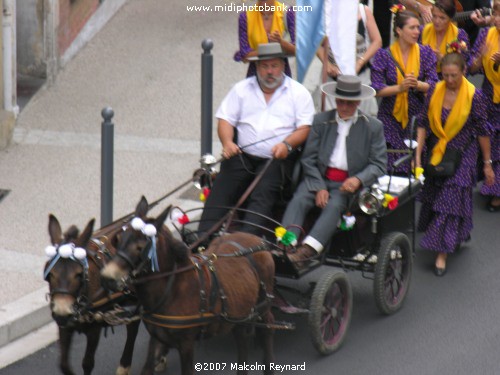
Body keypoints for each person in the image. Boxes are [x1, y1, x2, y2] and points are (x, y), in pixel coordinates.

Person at [198, 43, 314, 238]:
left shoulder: (299, 93)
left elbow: (304, 128)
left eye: (274, 66)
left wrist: (287, 144)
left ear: (283, 66)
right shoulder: (241, 89)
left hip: (276, 159)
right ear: (257, 67)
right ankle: (200, 240)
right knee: (221, 189)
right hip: (241, 155)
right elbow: (225, 120)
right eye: (264, 66)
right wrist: (227, 143)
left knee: (262, 194)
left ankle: (245, 243)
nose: (270, 71)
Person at [280, 75, 387, 269]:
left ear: (357, 102)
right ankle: (286, 245)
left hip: (346, 186)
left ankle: (308, 250)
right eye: (340, 102)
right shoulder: (321, 121)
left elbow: (379, 164)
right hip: (318, 178)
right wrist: (319, 187)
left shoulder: (372, 127)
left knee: (335, 205)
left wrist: (358, 179)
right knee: (299, 199)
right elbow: (308, 159)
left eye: (349, 103)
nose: (344, 107)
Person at [415, 51, 495, 276]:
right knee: (436, 195)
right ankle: (458, 232)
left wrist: (487, 164)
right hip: (438, 150)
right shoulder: (434, 90)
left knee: (450, 198)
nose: (449, 80)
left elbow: (482, 131)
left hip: (463, 152)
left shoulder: (474, 96)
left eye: (454, 76)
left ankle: (442, 253)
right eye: (446, 76)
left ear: (463, 73)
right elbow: (423, 121)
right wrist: (418, 151)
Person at [371, 6, 438, 174]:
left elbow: (434, 85)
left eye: (418, 27)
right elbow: (376, 89)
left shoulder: (426, 53)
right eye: (412, 28)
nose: (417, 31)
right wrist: (400, 88)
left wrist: (417, 84)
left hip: (417, 117)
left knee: (412, 165)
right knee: (390, 166)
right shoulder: (384, 55)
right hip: (390, 115)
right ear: (399, 30)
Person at [316, 2, 382, 115]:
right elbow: (315, 41)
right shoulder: (325, 12)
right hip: (333, 77)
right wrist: (327, 63)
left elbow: (377, 41)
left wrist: (360, 62)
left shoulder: (363, 11)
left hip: (360, 77)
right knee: (330, 116)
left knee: (361, 116)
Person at [469, 0, 500, 212]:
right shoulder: (485, 35)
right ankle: (493, 185)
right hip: (489, 99)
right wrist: (481, 57)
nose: (497, 19)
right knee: (490, 143)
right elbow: (471, 68)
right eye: (496, 14)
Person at [234, 0, 295, 77]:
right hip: (255, 75)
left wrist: (281, 42)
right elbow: (245, 55)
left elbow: (298, 50)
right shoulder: (245, 17)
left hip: (281, 75)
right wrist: (276, 49)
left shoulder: (288, 13)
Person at [420, 0, 470, 77]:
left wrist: (443, 59)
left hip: (449, 80)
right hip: (424, 77)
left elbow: (464, 70)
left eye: (442, 18)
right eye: (434, 16)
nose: (437, 21)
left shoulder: (460, 35)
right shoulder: (422, 30)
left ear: (450, 19)